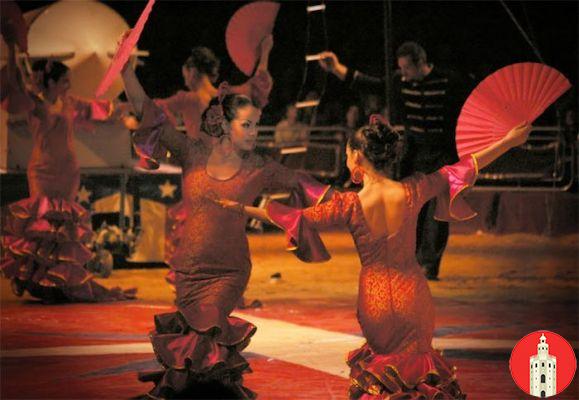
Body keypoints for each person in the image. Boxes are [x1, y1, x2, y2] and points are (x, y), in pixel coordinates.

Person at [217, 117, 532, 399]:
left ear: (358, 156)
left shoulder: (350, 204)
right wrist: (509, 141)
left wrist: (240, 208)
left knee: (384, 379)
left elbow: (296, 217)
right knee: (420, 373)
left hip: (376, 298)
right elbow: (464, 167)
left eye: (348, 152)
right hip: (413, 294)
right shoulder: (413, 190)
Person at [121, 47, 331, 399]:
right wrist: (127, 74)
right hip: (189, 269)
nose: (254, 132)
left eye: (256, 125)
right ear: (223, 125)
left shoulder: (258, 167)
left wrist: (364, 195)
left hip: (230, 270)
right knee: (195, 344)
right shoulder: (191, 153)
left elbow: (302, 183)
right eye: (247, 125)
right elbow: (150, 114)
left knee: (207, 329)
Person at [319, 42, 470, 280]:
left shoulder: (449, 82)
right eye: (401, 68)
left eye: (408, 68)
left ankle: (428, 265)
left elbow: (469, 108)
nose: (404, 74)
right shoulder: (400, 82)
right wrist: (337, 68)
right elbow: (371, 84)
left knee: (437, 213)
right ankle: (409, 259)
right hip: (416, 154)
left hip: (443, 154)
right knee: (412, 209)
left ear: (421, 63)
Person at [0, 40, 136, 303]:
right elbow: (14, 83)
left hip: (67, 172)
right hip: (42, 171)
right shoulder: (33, 102)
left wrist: (125, 114)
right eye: (64, 81)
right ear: (49, 82)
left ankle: (60, 284)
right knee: (43, 224)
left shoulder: (70, 102)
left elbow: (100, 109)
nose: (68, 86)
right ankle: (41, 283)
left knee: (63, 228)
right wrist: (13, 50)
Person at [155, 39, 274, 289]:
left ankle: (198, 288)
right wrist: (264, 53)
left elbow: (151, 108)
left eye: (185, 72)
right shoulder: (227, 95)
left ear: (193, 71)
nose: (184, 77)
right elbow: (257, 84)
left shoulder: (187, 99)